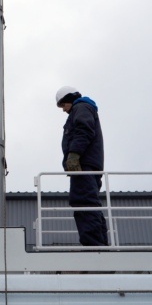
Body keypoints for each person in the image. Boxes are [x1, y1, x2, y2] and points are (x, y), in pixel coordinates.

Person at [56, 86, 108, 246]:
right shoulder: (84, 108)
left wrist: (73, 155)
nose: (64, 110)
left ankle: (94, 247)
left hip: (83, 167)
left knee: (83, 202)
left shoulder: (81, 107)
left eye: (63, 105)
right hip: (87, 166)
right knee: (89, 203)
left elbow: (83, 131)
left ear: (70, 99)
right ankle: (99, 245)